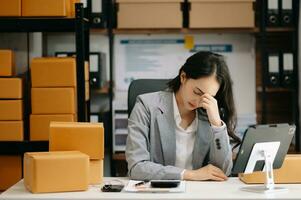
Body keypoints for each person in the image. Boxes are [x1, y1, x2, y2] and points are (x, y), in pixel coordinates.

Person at [125, 51, 240, 181]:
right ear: (183, 77)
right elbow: (137, 167)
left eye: (208, 97)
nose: (198, 101)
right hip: (158, 192)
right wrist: (190, 174)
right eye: (197, 92)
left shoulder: (209, 111)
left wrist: (217, 125)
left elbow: (223, 171)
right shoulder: (146, 106)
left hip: (198, 193)